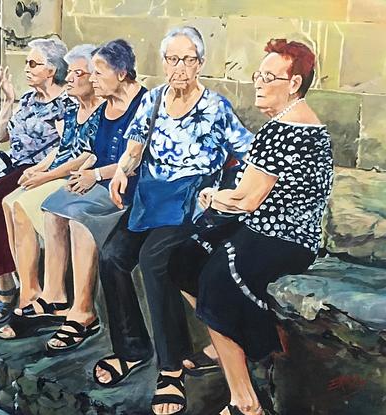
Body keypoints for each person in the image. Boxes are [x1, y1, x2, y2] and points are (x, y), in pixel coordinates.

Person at [168, 39, 334, 415]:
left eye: (269, 77)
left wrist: (211, 195)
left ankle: (244, 401)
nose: (258, 84)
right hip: (275, 229)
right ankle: (224, 341)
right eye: (258, 75)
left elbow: (244, 200)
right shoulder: (300, 122)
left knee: (216, 281)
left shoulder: (282, 130)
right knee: (184, 257)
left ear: (294, 83)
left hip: (282, 238)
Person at [93, 27, 253, 415]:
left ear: (200, 63)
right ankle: (131, 350)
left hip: (190, 199)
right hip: (151, 194)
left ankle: (170, 368)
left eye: (187, 59)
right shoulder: (153, 98)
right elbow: (135, 146)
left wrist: (233, 195)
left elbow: (249, 152)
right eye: (171, 59)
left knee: (153, 261)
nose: (178, 67)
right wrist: (122, 171)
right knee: (112, 256)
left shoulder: (216, 107)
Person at [0, 40, 147, 355]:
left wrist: (95, 174)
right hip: (103, 180)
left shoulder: (143, 105)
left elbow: (135, 161)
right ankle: (54, 295)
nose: (92, 79)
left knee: (79, 218)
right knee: (54, 206)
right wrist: (86, 170)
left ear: (121, 73)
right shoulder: (106, 106)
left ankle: (83, 312)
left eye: (98, 72)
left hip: (129, 189)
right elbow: (91, 152)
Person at [0, 38, 72, 324]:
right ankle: (0, 278)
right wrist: (8, 99)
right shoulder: (28, 99)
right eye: (26, 62)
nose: (26, 68)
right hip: (14, 162)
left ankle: (8, 287)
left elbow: (64, 148)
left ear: (52, 70)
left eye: (33, 63)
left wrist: (40, 171)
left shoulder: (64, 105)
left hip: (39, 167)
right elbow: (1, 136)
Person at [0, 44, 102, 338]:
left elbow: (86, 155)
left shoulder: (99, 111)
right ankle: (27, 288)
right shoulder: (74, 109)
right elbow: (61, 148)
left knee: (22, 205)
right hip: (58, 170)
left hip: (74, 176)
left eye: (76, 74)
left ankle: (38, 295)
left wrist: (46, 176)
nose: (69, 79)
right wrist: (40, 169)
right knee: (7, 201)